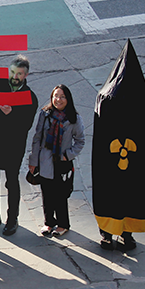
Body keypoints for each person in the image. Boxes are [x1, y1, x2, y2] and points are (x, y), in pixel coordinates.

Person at [0, 55, 39, 236]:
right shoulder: (0, 85)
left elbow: (26, 126)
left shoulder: (29, 97)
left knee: (11, 182)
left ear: (25, 75)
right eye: (12, 72)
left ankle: (12, 219)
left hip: (13, 147)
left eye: (19, 74)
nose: (15, 76)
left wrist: (11, 113)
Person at [29, 85, 85, 236]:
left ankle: (63, 224)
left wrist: (68, 155)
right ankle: (49, 222)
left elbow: (80, 141)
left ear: (68, 99)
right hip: (46, 160)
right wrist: (33, 160)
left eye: (62, 97)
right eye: (55, 96)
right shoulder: (45, 114)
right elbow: (37, 138)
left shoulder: (74, 118)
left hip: (62, 162)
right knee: (47, 193)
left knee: (60, 194)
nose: (58, 100)